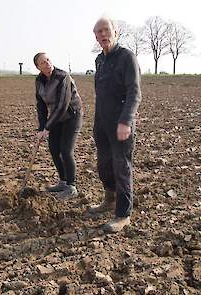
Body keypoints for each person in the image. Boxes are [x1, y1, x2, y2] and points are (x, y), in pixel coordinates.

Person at [89, 16, 142, 232]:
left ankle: (122, 214)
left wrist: (126, 121)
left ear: (115, 32)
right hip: (101, 123)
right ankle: (109, 199)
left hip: (121, 124)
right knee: (104, 164)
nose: (102, 35)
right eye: (98, 32)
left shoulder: (126, 57)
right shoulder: (99, 60)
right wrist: (97, 123)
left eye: (105, 30)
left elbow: (134, 92)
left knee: (122, 168)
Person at [33, 52, 83, 198]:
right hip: (56, 117)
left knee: (65, 150)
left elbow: (62, 105)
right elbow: (41, 105)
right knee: (54, 148)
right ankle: (63, 181)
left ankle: (71, 187)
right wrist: (42, 127)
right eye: (43, 62)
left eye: (48, 60)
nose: (47, 63)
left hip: (71, 115)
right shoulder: (39, 81)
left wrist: (47, 127)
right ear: (38, 67)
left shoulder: (62, 77)